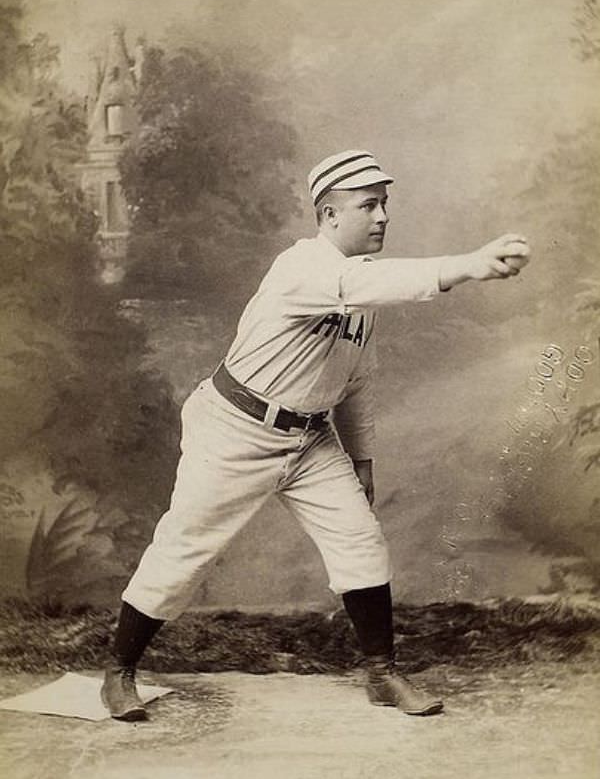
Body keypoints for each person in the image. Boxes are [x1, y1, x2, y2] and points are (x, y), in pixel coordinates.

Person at [101, 149, 530, 721]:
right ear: (328, 214)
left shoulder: (362, 297)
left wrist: (363, 459)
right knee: (184, 550)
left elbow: (355, 384)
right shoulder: (301, 266)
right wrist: (471, 264)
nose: (382, 217)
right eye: (368, 206)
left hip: (309, 440)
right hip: (236, 427)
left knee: (360, 540)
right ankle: (119, 672)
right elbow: (373, 280)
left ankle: (382, 673)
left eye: (385, 205)